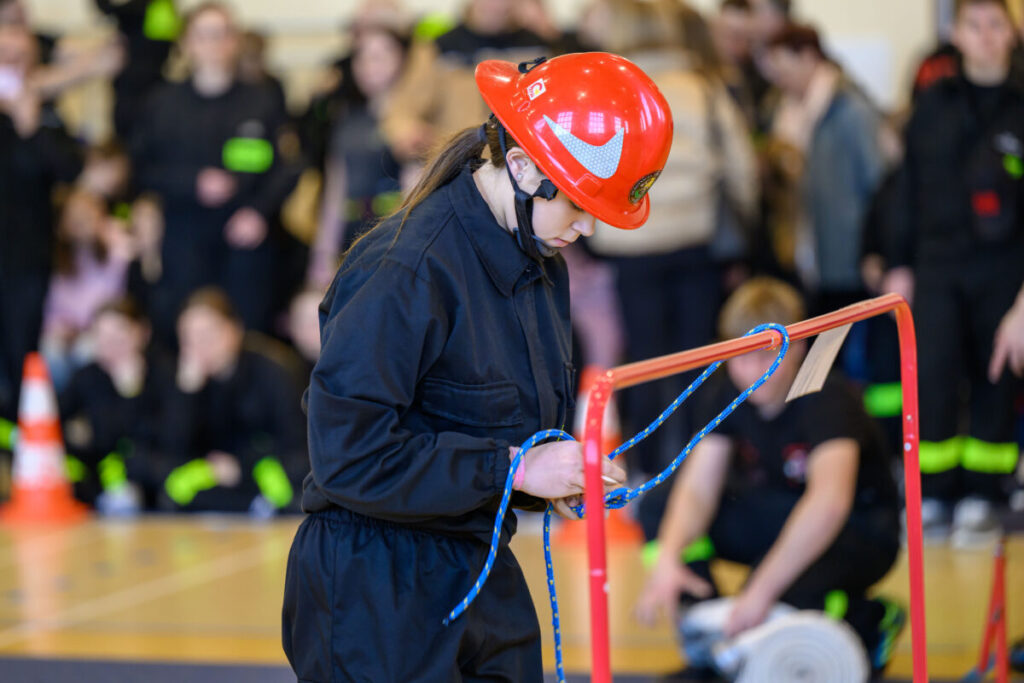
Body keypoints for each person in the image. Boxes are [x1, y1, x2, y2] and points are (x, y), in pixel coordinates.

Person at [282, 52, 672, 681]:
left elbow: (500, 417)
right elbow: (348, 454)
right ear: (520, 166)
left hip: (475, 558)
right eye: (577, 203)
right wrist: (515, 467)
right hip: (375, 587)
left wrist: (556, 474)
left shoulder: (542, 259)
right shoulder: (404, 269)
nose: (587, 226)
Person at [634, 277, 903, 677]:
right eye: (740, 357)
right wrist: (669, 560)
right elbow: (697, 489)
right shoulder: (728, 389)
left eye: (765, 357)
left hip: (861, 528)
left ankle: (868, 619)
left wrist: (759, 593)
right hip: (786, 510)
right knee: (659, 507)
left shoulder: (827, 397)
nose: (750, 371)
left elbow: (829, 503)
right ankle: (717, 638)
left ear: (797, 348)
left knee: (779, 590)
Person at [585, 0, 758, 538]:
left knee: (643, 358)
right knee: (695, 359)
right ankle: (693, 470)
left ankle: (647, 474)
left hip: (630, 243)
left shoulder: (612, 88)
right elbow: (742, 168)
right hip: (696, 244)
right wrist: (744, 230)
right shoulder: (703, 87)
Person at [880, 0, 1024, 545]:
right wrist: (897, 263)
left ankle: (984, 496)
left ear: (1011, 35)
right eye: (974, 25)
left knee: (995, 375)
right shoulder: (932, 105)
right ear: (956, 35)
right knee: (933, 376)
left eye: (996, 26)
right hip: (936, 265)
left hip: (1004, 266)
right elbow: (906, 191)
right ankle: (933, 494)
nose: (986, 37)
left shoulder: (1019, 103)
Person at [131, 2, 301, 343]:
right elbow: (140, 170)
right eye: (203, 35)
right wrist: (191, 183)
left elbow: (289, 165)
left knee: (247, 338)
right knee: (183, 336)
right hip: (183, 242)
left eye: (222, 34)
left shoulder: (263, 100)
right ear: (188, 43)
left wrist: (259, 211)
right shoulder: (162, 104)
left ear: (234, 41)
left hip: (245, 243)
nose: (213, 44)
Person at [160, 288, 308, 515]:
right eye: (189, 338)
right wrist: (186, 394)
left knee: (281, 481)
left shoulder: (272, 372)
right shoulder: (188, 379)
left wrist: (240, 467)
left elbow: (294, 442)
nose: (200, 346)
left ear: (234, 329)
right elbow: (174, 449)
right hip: (215, 475)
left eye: (208, 334)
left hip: (265, 468)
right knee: (175, 488)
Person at [0, 24, 82, 421]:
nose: (11, 64)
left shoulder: (45, 115)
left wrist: (30, 126)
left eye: (20, 56)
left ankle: (17, 446)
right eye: (4, 54)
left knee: (21, 352)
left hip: (25, 260)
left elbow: (69, 170)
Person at [58, 297, 173, 512]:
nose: (110, 346)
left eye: (119, 337)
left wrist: (130, 393)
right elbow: (56, 416)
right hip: (101, 475)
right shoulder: (88, 375)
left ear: (142, 333)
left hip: (149, 474)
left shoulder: (162, 373)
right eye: (102, 337)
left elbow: (161, 437)